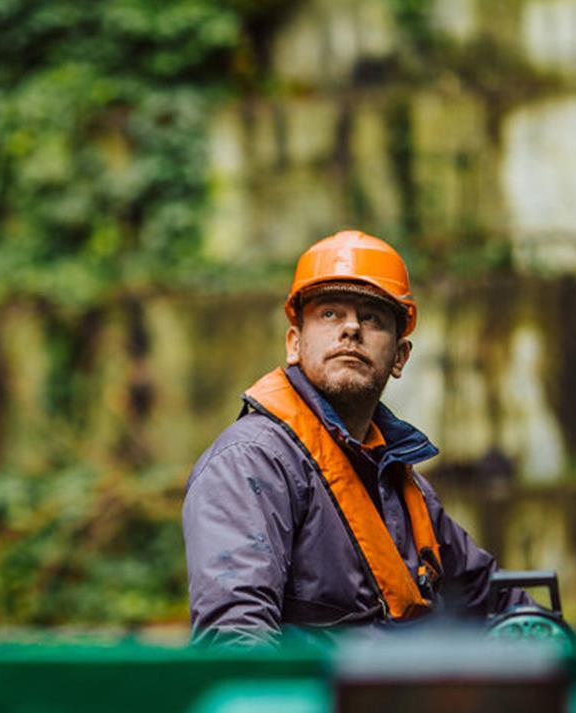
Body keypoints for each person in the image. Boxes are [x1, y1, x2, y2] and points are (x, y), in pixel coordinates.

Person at [182, 230, 530, 647]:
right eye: (329, 313)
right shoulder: (252, 463)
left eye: (373, 318)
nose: (351, 328)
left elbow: (495, 599)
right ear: (295, 344)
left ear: (400, 357)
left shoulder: (402, 485)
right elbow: (236, 640)